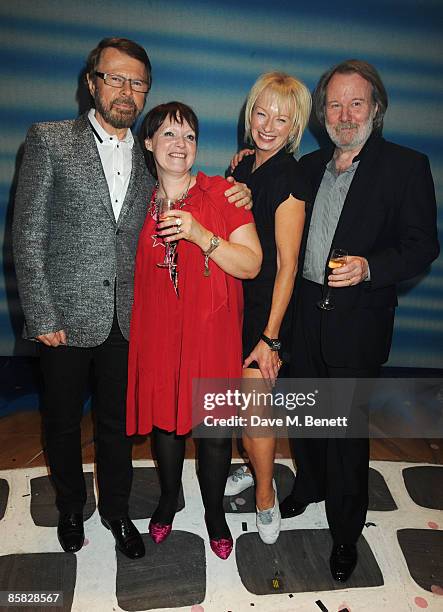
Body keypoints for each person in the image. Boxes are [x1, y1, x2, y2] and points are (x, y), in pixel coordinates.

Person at [12, 37, 251, 558]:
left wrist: (242, 188)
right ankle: (73, 508)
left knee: (117, 428)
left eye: (137, 82)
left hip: (131, 321)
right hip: (66, 319)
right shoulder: (50, 140)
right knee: (60, 421)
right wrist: (42, 313)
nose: (126, 90)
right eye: (115, 78)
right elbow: (27, 235)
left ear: (145, 93)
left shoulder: (152, 165)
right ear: (92, 82)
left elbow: (189, 183)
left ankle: (118, 513)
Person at [277, 60, 440, 581]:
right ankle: (308, 487)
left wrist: (371, 267)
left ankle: (345, 532)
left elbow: (423, 245)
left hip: (360, 321)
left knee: (345, 432)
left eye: (356, 103)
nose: (345, 115)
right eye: (334, 104)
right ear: (322, 113)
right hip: (302, 312)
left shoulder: (406, 166)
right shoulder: (306, 166)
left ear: (376, 109)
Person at [126, 101, 262, 560]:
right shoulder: (135, 201)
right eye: (168, 134)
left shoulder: (224, 193)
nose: (179, 145)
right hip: (158, 333)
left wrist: (201, 235)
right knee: (166, 422)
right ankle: (168, 499)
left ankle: (213, 512)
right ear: (148, 143)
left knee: (215, 431)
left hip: (212, 333)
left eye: (188, 136)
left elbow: (251, 264)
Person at [223, 72, 311, 545]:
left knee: (257, 414)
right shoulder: (243, 164)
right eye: (262, 112)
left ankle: (265, 493)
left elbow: (288, 267)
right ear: (250, 111)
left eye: (282, 117)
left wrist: (270, 337)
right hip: (232, 305)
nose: (269, 125)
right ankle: (249, 465)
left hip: (266, 315)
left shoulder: (291, 178)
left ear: (295, 123)